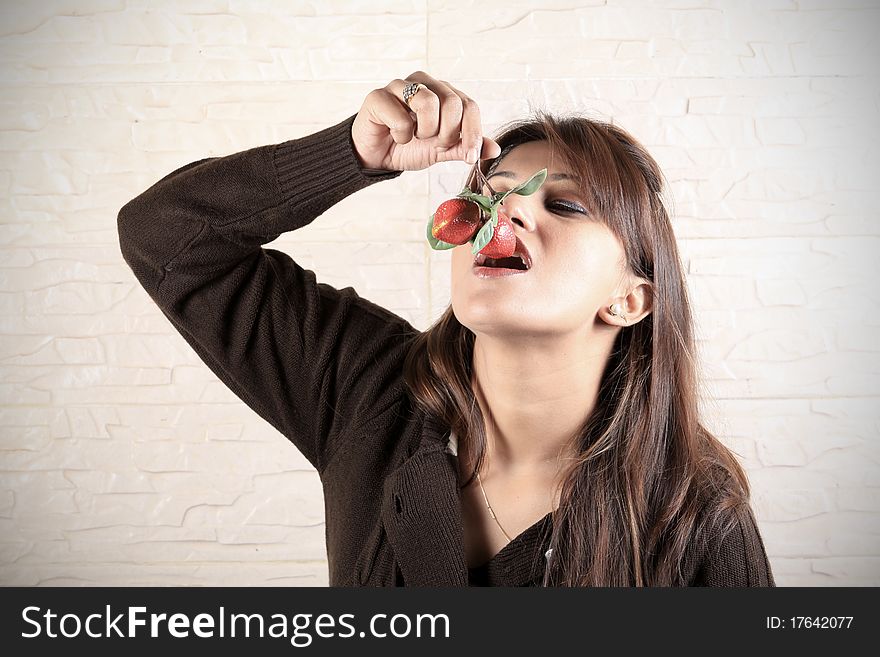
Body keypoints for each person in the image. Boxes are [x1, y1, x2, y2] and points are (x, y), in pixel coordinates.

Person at [117, 71, 775, 587]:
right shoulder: (367, 390)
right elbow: (163, 236)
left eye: (564, 203)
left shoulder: (695, 515)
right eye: (490, 192)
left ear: (631, 299)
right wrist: (351, 153)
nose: (505, 207)